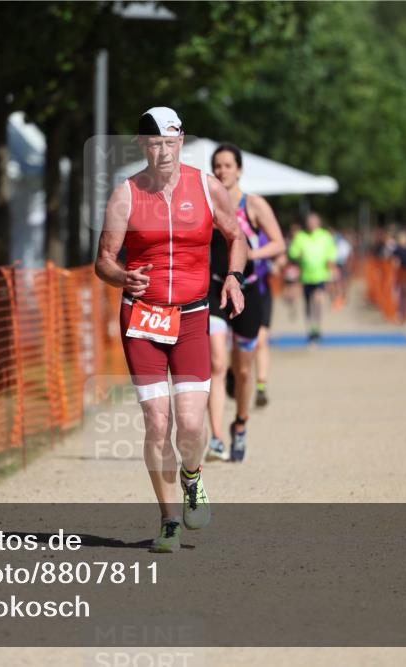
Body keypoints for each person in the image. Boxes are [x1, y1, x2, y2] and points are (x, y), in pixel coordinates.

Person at [95, 107, 246, 553]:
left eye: (171, 142)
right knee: (157, 423)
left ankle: (193, 476)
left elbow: (236, 236)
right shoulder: (125, 194)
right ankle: (168, 521)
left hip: (194, 316)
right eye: (154, 144)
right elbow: (103, 259)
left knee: (192, 425)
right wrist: (121, 276)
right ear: (143, 146)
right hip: (142, 317)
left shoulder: (206, 185)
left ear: (181, 142)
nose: (163, 151)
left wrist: (233, 278)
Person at [205, 144, 284, 463]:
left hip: (248, 293)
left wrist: (251, 254)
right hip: (213, 291)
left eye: (228, 165)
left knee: (243, 367)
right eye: (217, 166)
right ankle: (217, 438)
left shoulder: (253, 205)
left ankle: (240, 424)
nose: (222, 171)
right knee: (216, 362)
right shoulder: (206, 205)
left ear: (239, 170)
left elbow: (279, 243)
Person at [287, 212, 337, 343]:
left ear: (318, 223)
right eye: (310, 222)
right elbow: (292, 253)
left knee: (318, 300)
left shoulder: (325, 236)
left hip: (321, 275)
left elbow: (331, 253)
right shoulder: (301, 237)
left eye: (314, 222)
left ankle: (318, 328)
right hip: (306, 277)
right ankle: (310, 330)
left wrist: (331, 268)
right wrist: (298, 255)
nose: (312, 225)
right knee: (308, 304)